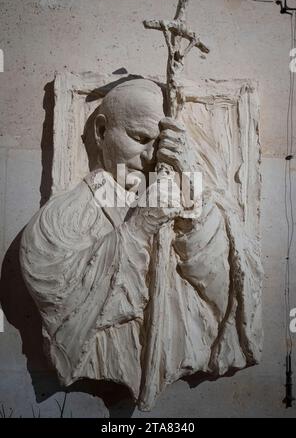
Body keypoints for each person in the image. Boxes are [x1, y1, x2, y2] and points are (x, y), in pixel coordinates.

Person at [20, 79, 262, 411]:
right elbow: (60, 298)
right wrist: (139, 227)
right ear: (101, 132)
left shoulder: (195, 206)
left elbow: (232, 294)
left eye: (161, 146)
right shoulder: (62, 218)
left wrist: (192, 197)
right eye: (140, 139)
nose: (151, 158)